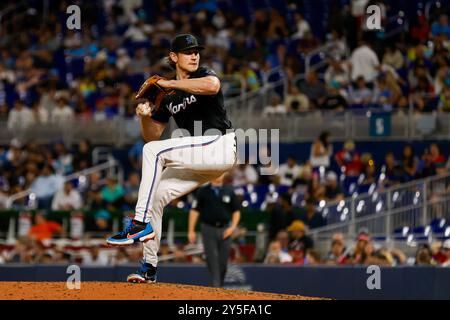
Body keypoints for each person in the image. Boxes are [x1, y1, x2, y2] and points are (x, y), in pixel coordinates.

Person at [106, 34, 237, 284]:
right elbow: (153, 136)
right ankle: (149, 268)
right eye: (188, 52)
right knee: (156, 195)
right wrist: (145, 117)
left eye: (196, 51)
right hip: (200, 159)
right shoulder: (167, 97)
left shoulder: (203, 75)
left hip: (219, 145)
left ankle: (138, 224)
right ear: (174, 57)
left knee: (153, 153)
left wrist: (169, 85)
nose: (195, 55)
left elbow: (213, 87)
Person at [187, 173, 241, 287]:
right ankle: (216, 287)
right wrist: (191, 230)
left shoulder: (229, 190)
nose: (218, 176)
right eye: (216, 173)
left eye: (221, 173)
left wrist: (232, 228)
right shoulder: (203, 191)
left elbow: (236, 211)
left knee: (223, 261)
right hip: (208, 229)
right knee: (212, 259)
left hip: (225, 230)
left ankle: (218, 286)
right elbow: (194, 210)